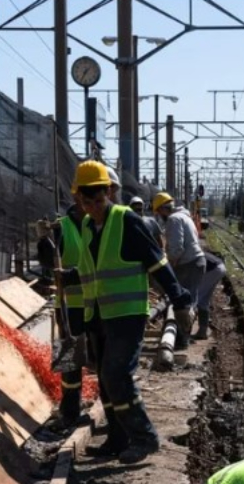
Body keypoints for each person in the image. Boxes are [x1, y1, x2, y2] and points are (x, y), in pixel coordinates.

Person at [59, 160, 193, 463]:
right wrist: (70, 277)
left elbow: (157, 263)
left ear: (108, 192)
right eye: (86, 199)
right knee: (106, 379)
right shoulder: (86, 227)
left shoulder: (127, 221)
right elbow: (90, 270)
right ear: (77, 198)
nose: (92, 205)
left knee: (116, 374)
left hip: (127, 314)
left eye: (98, 198)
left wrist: (180, 299)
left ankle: (144, 437)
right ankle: (118, 439)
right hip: (99, 315)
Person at [36, 189, 95, 434]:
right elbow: (49, 261)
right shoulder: (62, 227)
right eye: (85, 198)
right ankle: (69, 411)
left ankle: (112, 411)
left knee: (100, 358)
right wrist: (43, 243)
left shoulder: (99, 225)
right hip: (69, 306)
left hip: (97, 303)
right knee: (70, 362)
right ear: (77, 200)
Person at [153, 192, 205, 349]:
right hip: (196, 262)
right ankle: (184, 337)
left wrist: (169, 265)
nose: (159, 216)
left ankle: (182, 340)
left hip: (187, 264)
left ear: (163, 209)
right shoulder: (185, 217)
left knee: (182, 302)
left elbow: (177, 248)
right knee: (190, 300)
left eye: (158, 212)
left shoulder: (174, 220)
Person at [192, 251, 227, 339]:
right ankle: (203, 331)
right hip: (219, 267)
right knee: (204, 301)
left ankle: (183, 332)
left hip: (213, 269)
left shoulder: (186, 256)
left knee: (195, 298)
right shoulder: (192, 251)